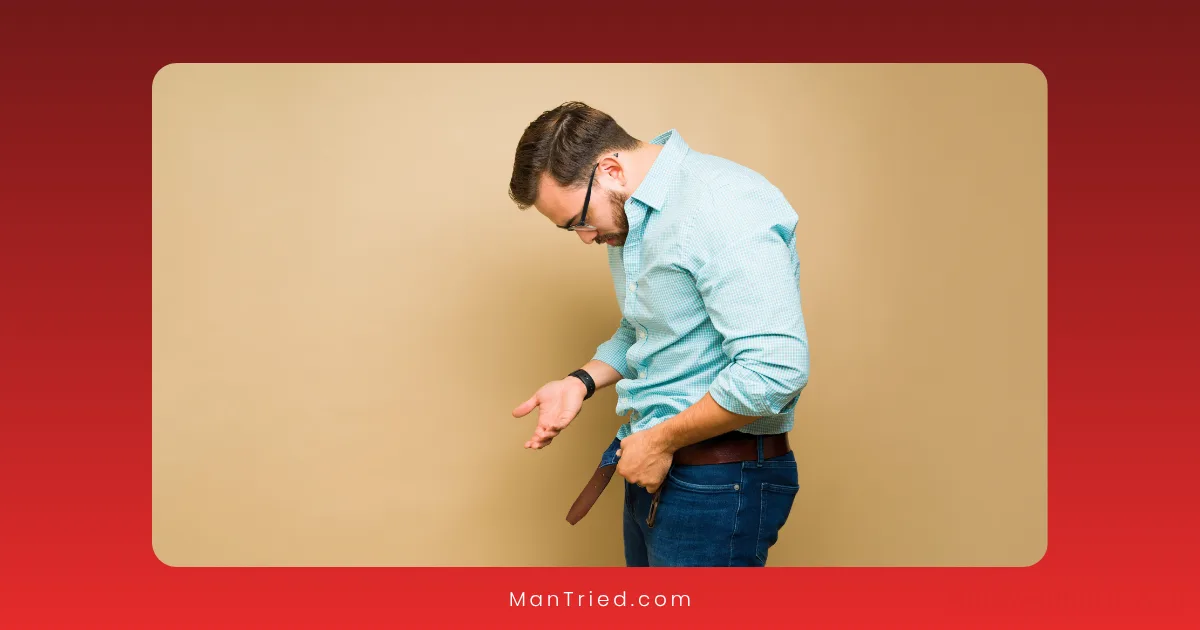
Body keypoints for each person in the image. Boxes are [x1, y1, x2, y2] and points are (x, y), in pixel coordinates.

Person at [507, 102, 810, 567]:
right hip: (656, 467)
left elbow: (774, 369)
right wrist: (579, 382)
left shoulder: (721, 203)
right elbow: (647, 328)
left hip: (717, 480)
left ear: (610, 170)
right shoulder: (631, 218)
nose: (585, 238)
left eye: (580, 221)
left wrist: (659, 441)